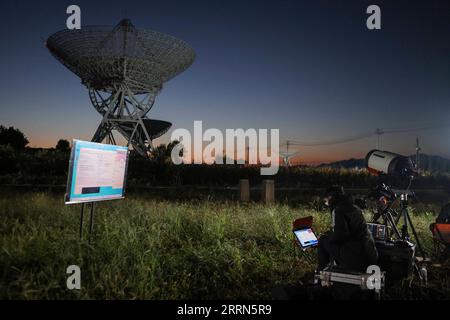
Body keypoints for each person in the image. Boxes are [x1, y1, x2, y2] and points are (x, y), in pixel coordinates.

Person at [318, 186, 378, 272]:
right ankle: (332, 268)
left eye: (326, 202)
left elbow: (341, 235)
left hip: (357, 258)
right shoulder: (355, 208)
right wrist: (332, 234)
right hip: (370, 256)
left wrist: (330, 237)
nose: (326, 204)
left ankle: (321, 273)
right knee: (330, 239)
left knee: (323, 240)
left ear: (330, 198)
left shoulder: (338, 210)